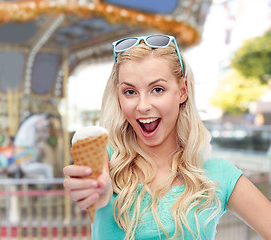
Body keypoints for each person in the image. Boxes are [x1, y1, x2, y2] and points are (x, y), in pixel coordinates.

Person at [63, 34, 271, 240]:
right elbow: (100, 189)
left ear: (182, 91)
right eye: (130, 92)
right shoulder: (107, 159)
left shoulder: (219, 175)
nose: (143, 105)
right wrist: (97, 190)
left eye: (157, 89)